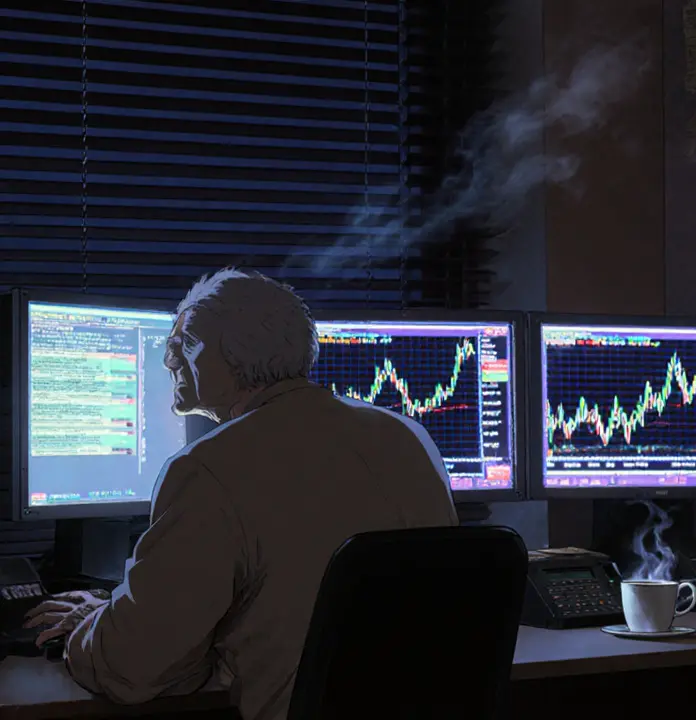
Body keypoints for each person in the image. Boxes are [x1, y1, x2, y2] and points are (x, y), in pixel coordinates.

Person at [23, 268, 459, 720]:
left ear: (236, 352)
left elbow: (134, 667)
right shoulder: (411, 439)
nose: (169, 361)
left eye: (185, 343)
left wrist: (90, 626)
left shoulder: (209, 468)